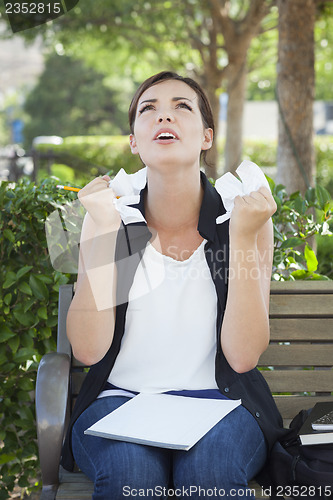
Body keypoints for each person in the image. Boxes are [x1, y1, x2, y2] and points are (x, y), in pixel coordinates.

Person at [61, 71, 285, 499]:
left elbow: (242, 357)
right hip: (118, 402)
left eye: (181, 106)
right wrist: (106, 231)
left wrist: (241, 237)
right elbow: (88, 351)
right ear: (134, 141)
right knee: (132, 479)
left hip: (222, 404)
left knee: (211, 477)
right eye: (149, 109)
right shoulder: (112, 216)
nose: (164, 117)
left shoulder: (243, 217)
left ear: (206, 136)